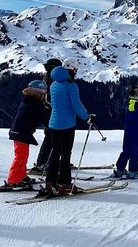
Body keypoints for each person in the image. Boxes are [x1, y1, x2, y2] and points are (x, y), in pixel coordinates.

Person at [39, 65, 90, 197]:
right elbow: (76, 105)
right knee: (66, 154)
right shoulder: (71, 86)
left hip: (53, 124)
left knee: (55, 153)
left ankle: (50, 183)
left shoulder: (53, 85)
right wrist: (87, 117)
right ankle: (64, 183)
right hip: (67, 124)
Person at [1, 80, 48, 190]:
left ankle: (21, 176)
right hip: (21, 133)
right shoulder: (36, 104)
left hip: (18, 132)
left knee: (23, 155)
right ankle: (12, 180)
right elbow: (44, 118)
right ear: (40, 93)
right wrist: (52, 126)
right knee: (20, 156)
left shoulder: (27, 101)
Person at [29, 58, 64, 176]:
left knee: (52, 138)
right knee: (51, 138)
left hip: (48, 113)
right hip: (51, 114)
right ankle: (43, 163)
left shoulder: (48, 78)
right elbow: (50, 100)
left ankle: (47, 161)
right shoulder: (52, 81)